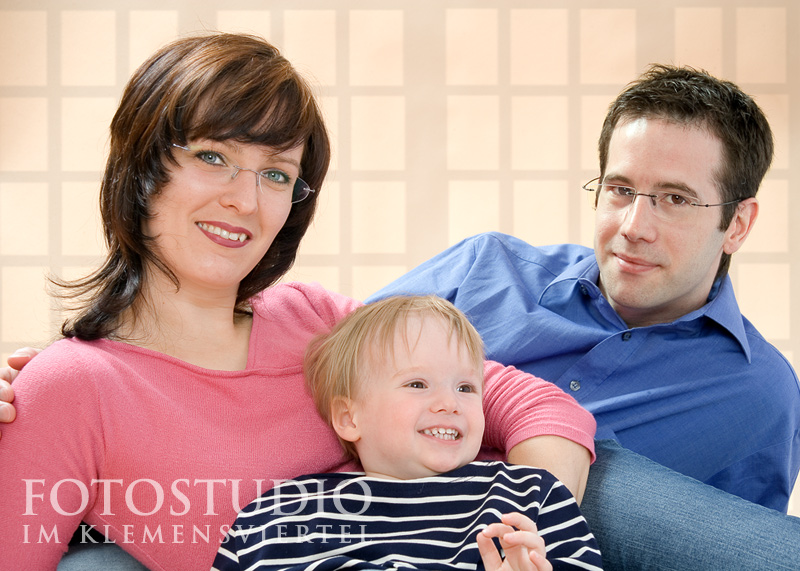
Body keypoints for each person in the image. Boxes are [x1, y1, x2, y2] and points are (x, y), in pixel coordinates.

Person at [0, 33, 597, 571]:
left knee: (619, 485)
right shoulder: (69, 387)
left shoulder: (313, 318)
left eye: (277, 174)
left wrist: (525, 528)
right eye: (213, 157)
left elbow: (532, 404)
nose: (246, 201)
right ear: (142, 167)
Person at [367, 65, 800, 566]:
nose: (634, 227)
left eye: (675, 199)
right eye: (620, 190)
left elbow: (717, 551)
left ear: (738, 224)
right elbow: (330, 372)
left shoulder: (759, 395)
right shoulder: (483, 269)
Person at [213, 295, 603, 571]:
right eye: (417, 384)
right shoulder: (280, 515)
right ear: (349, 418)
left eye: (466, 387)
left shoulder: (529, 495)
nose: (450, 403)